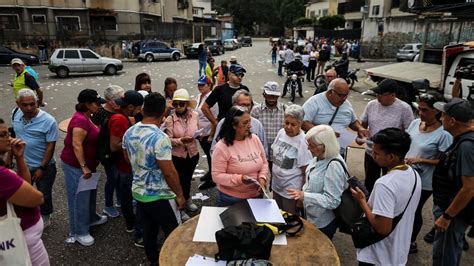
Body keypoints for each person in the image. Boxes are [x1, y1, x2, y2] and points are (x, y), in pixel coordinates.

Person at [122, 92, 185, 265]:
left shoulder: (129, 131)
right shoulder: (160, 137)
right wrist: (179, 195)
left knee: (149, 232)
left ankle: (154, 261)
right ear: (163, 112)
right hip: (160, 195)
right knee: (175, 234)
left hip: (139, 192)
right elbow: (169, 172)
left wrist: (141, 166)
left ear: (142, 109)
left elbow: (127, 157)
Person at [351, 128, 421, 265]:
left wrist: (362, 202)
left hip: (378, 256)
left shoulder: (385, 184)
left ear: (391, 157)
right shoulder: (413, 174)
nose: (372, 154)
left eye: (376, 153)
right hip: (398, 250)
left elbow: (383, 228)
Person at [404, 92, 453, 253]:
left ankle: (411, 241)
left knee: (414, 209)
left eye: (425, 110)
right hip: (406, 174)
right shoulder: (415, 123)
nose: (420, 113)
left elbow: (446, 162)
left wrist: (421, 160)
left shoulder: (443, 134)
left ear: (437, 112)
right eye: (419, 109)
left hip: (425, 180)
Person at [60, 89, 108, 246]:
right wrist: (84, 166)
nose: (99, 106)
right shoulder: (80, 120)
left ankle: (91, 218)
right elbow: (76, 144)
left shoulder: (89, 116)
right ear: (87, 104)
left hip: (89, 165)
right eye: (96, 103)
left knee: (89, 195)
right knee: (78, 198)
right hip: (76, 166)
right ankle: (79, 231)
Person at [0, 118, 50, 266]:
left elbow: (25, 184)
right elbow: (37, 198)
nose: (9, 138)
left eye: (8, 133)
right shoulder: (2, 176)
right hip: (20, 239)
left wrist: (19, 157)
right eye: (2, 135)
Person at [431, 98, 474, 266]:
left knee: (445, 256)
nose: (440, 118)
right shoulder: (463, 139)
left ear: (452, 120)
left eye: (443, 115)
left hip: (453, 213)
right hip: (450, 209)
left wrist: (447, 216)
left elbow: (469, 188)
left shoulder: (467, 146)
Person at [287, 125, 347, 239]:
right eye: (308, 145)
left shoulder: (334, 165)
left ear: (325, 145)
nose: (309, 149)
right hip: (310, 216)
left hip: (322, 223)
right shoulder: (319, 156)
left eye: (312, 146)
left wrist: (304, 196)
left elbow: (332, 201)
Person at [12, 89, 59, 228]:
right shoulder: (15, 113)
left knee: (43, 194)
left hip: (43, 166)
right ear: (18, 104)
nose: (29, 108)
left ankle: (45, 216)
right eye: (25, 105)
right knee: (22, 193)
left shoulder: (48, 121)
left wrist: (42, 167)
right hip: (22, 164)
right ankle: (27, 215)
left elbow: (51, 146)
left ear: (37, 103)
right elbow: (15, 135)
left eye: (32, 104)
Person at [360, 79, 414, 193]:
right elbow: (363, 125)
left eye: (381, 95)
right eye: (377, 94)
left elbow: (410, 133)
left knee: (389, 185)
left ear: (393, 95)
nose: (378, 98)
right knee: (369, 183)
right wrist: (361, 134)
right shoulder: (371, 105)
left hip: (391, 156)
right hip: (372, 152)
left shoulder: (404, 109)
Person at [212, 106, 269, 207]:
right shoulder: (222, 147)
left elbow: (264, 162)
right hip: (231, 199)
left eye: (249, 121)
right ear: (234, 125)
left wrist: (262, 178)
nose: (250, 126)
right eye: (245, 123)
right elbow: (217, 176)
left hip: (256, 196)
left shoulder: (254, 139)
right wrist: (240, 179)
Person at [109, 90, 144, 246]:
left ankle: (131, 222)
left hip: (125, 165)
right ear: (130, 106)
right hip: (125, 166)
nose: (139, 111)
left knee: (126, 196)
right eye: (138, 108)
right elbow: (114, 145)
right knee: (127, 197)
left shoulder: (122, 116)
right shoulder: (119, 119)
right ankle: (131, 224)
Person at [164, 89, 200, 221]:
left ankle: (187, 199)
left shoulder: (194, 115)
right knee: (178, 182)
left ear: (186, 104)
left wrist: (199, 135)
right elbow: (167, 140)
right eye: (176, 104)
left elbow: (198, 129)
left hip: (192, 154)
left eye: (181, 104)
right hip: (177, 156)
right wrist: (180, 141)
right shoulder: (170, 120)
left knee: (187, 179)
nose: (178, 107)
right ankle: (180, 208)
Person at [91, 85, 124, 218]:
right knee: (112, 177)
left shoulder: (120, 110)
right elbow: (98, 134)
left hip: (119, 149)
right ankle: (108, 205)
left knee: (120, 177)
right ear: (110, 100)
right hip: (108, 151)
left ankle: (120, 200)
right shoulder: (100, 113)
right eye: (120, 99)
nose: (123, 101)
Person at [272, 105, 312, 214]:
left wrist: (301, 196)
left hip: (291, 191)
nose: (288, 127)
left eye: (293, 124)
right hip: (276, 186)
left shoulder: (303, 141)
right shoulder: (281, 132)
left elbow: (306, 171)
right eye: (286, 123)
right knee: (276, 215)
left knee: (289, 220)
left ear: (300, 124)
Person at [302, 79, 368, 142]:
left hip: (339, 150)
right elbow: (303, 123)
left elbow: (353, 122)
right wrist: (324, 133)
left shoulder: (346, 104)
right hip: (316, 149)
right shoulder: (314, 102)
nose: (344, 99)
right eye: (341, 95)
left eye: (346, 95)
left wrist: (360, 128)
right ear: (330, 92)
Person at [211, 89, 267, 158]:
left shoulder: (257, 124)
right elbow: (214, 149)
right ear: (234, 105)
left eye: (248, 105)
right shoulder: (223, 123)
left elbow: (264, 149)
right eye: (242, 105)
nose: (246, 108)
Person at [201, 64, 249, 139]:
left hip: (241, 128)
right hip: (225, 128)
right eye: (237, 74)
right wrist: (215, 122)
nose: (240, 77)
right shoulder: (220, 89)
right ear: (229, 74)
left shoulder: (244, 89)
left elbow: (250, 106)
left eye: (242, 75)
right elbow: (204, 107)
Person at [251, 82, 286, 168]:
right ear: (264, 94)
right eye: (269, 95)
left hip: (280, 152)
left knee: (278, 174)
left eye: (274, 96)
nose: (272, 98)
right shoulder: (256, 111)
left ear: (278, 96)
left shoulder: (285, 110)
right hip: (260, 150)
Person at [195, 76, 218, 190]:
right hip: (201, 133)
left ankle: (213, 179)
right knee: (208, 156)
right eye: (199, 85)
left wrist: (211, 135)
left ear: (209, 85)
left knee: (211, 156)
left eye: (202, 85)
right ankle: (210, 173)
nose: (200, 87)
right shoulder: (199, 96)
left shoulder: (212, 98)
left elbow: (215, 119)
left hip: (209, 133)